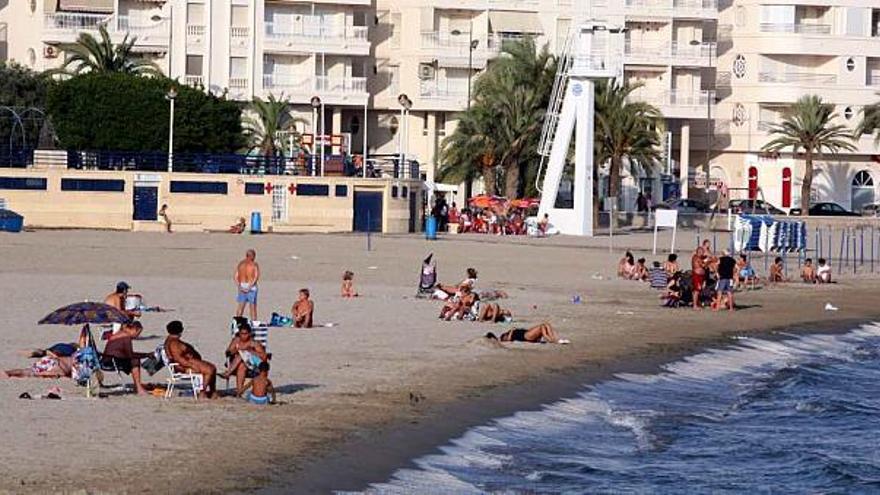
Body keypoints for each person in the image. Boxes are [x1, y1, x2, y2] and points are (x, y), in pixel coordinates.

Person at [163, 320, 217, 399]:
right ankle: (202, 392)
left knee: (212, 367)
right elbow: (178, 358)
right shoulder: (173, 343)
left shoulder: (172, 340)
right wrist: (192, 366)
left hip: (187, 363)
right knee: (210, 370)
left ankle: (213, 392)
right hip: (183, 366)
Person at [220, 322, 268, 396]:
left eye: (245, 333)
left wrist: (251, 351)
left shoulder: (253, 343)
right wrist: (236, 350)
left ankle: (228, 373)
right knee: (242, 365)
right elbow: (228, 352)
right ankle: (239, 392)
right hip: (239, 365)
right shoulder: (236, 340)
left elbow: (264, 357)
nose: (243, 336)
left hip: (254, 366)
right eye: (241, 333)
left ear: (249, 334)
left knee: (241, 356)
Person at [101, 321, 149, 395]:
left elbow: (127, 354)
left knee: (134, 359)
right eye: (138, 333)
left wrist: (146, 355)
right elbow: (130, 355)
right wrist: (146, 355)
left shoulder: (119, 333)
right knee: (135, 361)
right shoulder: (126, 336)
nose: (137, 336)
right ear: (134, 329)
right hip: (112, 361)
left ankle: (138, 387)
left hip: (108, 359)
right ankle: (138, 388)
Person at [234, 249, 260, 321]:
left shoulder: (240, 264)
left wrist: (239, 286)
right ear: (252, 256)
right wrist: (250, 287)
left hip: (242, 285)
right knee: (253, 306)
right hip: (251, 286)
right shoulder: (254, 264)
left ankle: (237, 322)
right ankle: (253, 323)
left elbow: (235, 276)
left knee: (241, 306)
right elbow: (256, 276)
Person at [485, 322, 567, 344]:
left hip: (526, 333)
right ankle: (552, 340)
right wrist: (512, 331)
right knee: (542, 326)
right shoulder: (502, 337)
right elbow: (509, 339)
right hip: (525, 336)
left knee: (546, 324)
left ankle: (553, 338)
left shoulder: (503, 335)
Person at [4, 355, 74, 379]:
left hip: (51, 359)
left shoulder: (76, 355)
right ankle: (7, 373)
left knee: (28, 371)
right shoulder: (80, 363)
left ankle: (8, 372)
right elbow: (61, 373)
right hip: (57, 365)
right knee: (32, 372)